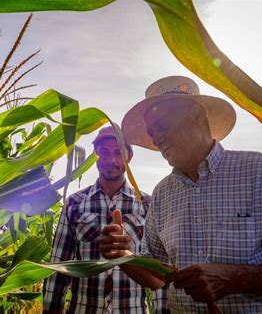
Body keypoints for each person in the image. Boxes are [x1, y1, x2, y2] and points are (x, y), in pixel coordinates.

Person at [99, 76, 262, 313]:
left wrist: (234, 278)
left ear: (197, 115)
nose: (156, 138)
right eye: (151, 131)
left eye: (162, 125)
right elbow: (158, 276)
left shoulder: (261, 171)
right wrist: (122, 255)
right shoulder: (162, 193)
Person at [43, 126, 170, 313]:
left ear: (129, 157)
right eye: (104, 152)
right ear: (96, 154)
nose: (111, 160)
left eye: (118, 153)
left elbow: (158, 270)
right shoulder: (74, 203)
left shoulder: (147, 205)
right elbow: (58, 268)